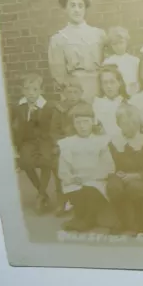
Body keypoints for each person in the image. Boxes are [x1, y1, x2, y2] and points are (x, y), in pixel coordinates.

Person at [57, 103, 119, 232]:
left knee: (90, 190)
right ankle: (82, 218)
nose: (82, 126)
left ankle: (86, 220)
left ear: (93, 122)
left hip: (96, 180)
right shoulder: (68, 143)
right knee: (79, 192)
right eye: (78, 122)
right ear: (73, 124)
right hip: (76, 181)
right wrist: (71, 178)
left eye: (86, 122)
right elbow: (63, 169)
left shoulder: (100, 142)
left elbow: (109, 166)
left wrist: (93, 176)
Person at [106, 104, 143, 235]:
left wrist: (134, 176)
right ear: (118, 124)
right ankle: (122, 220)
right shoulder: (114, 142)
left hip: (139, 176)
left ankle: (139, 221)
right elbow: (109, 164)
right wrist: (116, 173)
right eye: (125, 123)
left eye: (134, 123)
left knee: (135, 188)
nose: (130, 127)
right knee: (113, 187)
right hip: (119, 175)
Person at [48, 0, 106, 103]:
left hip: (98, 85)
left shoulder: (99, 34)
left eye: (80, 6)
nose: (77, 10)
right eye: (72, 5)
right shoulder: (58, 38)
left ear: (85, 9)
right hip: (74, 88)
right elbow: (59, 75)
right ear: (65, 8)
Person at [12, 73, 54, 214]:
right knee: (25, 162)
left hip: (44, 139)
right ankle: (41, 191)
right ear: (23, 91)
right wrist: (17, 146)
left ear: (41, 91)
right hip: (28, 140)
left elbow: (49, 127)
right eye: (27, 89)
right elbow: (18, 128)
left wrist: (37, 116)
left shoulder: (47, 106)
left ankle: (41, 195)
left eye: (35, 89)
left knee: (47, 160)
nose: (31, 93)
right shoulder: (20, 106)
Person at [50, 76, 86, 215]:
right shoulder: (59, 109)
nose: (72, 96)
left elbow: (91, 126)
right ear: (64, 94)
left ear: (81, 93)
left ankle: (81, 199)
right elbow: (53, 131)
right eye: (69, 92)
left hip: (82, 142)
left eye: (76, 92)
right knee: (58, 164)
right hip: (64, 144)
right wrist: (62, 144)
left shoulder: (85, 106)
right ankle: (62, 199)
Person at [92, 65, 128, 138]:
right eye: (105, 82)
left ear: (119, 83)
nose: (108, 86)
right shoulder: (97, 103)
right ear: (101, 85)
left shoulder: (127, 102)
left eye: (112, 82)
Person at [103, 26, 140, 96]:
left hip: (132, 92)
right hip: (116, 94)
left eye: (121, 43)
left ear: (127, 42)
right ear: (111, 45)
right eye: (115, 44)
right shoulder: (108, 62)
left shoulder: (135, 61)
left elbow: (138, 79)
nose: (118, 46)